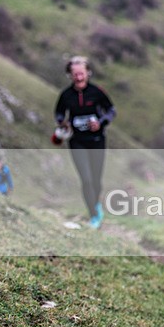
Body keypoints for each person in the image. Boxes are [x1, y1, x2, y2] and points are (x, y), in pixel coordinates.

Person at [53, 56, 116, 229]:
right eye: (75, 74)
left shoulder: (97, 92)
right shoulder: (66, 95)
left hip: (97, 141)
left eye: (81, 73)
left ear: (88, 73)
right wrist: (61, 122)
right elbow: (58, 112)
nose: (79, 78)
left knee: (96, 180)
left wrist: (100, 123)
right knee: (86, 179)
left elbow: (111, 111)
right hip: (77, 142)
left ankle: (96, 205)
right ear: (70, 75)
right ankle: (94, 215)